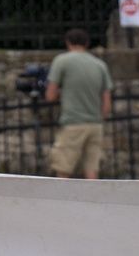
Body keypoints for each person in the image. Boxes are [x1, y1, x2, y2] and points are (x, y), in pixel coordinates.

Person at [46, 27, 114, 179]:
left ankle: (61, 201)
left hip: (73, 122)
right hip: (95, 124)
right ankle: (94, 202)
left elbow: (50, 95)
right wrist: (100, 117)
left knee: (63, 168)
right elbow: (107, 101)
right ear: (87, 43)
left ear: (68, 43)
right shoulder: (99, 65)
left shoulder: (62, 61)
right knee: (92, 170)